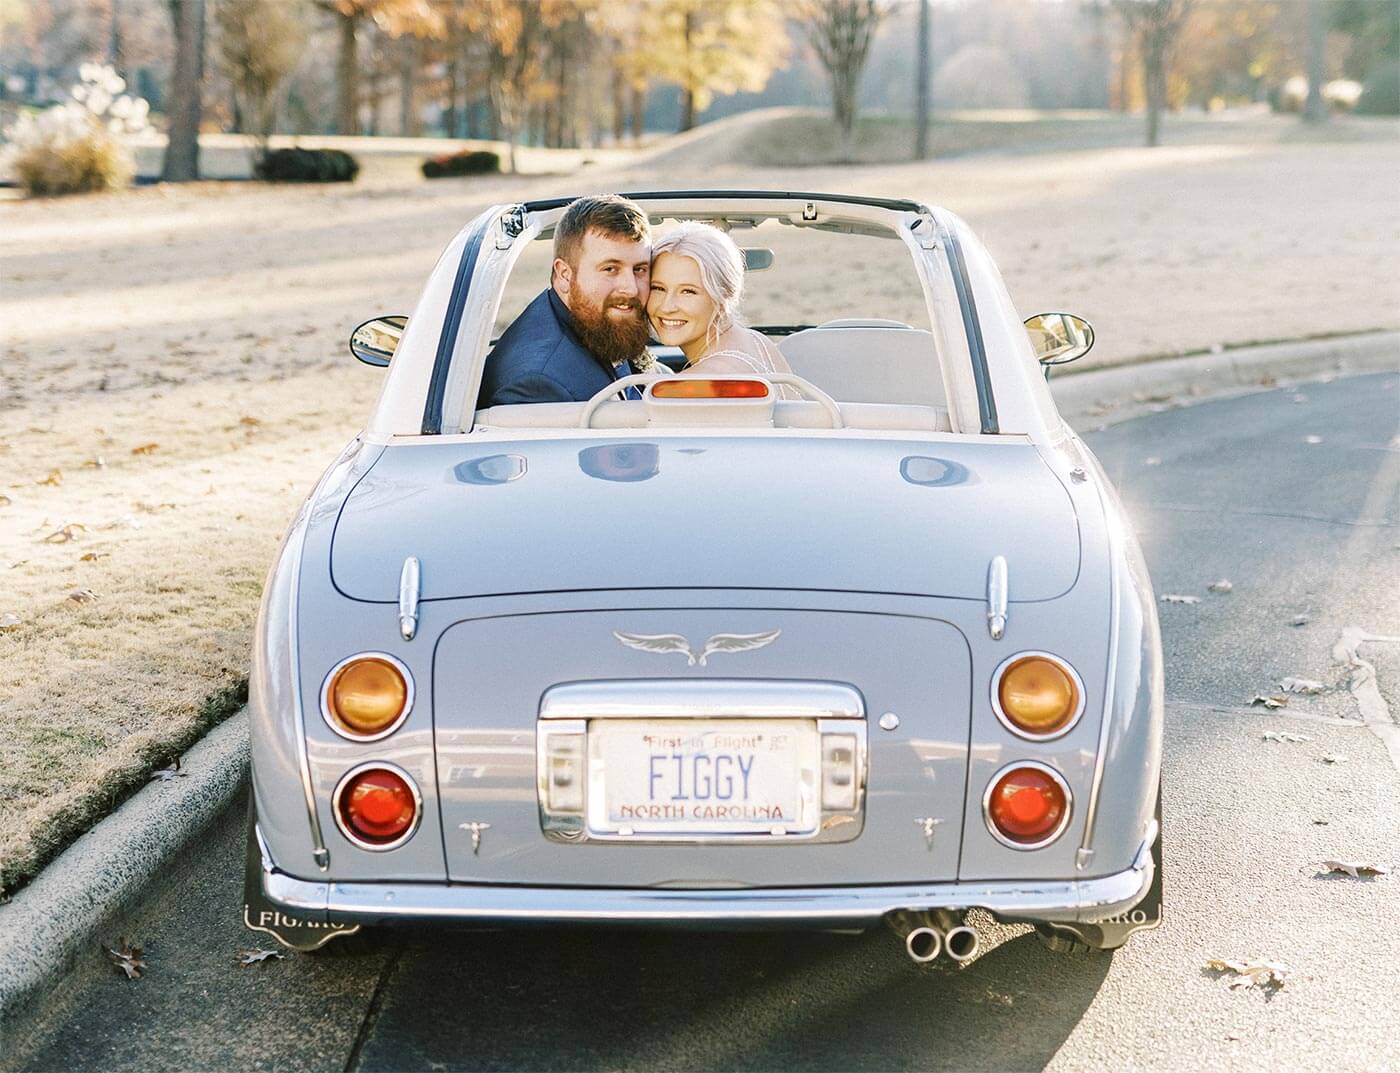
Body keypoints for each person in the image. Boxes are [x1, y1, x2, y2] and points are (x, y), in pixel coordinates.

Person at [480, 194, 654, 406]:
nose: (631, 288)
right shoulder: (538, 386)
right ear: (564, 275)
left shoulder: (595, 322)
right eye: (610, 269)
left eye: (640, 269)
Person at [646, 221, 798, 399]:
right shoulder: (757, 342)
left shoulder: (686, 387)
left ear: (724, 295)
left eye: (688, 291)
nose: (667, 306)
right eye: (658, 288)